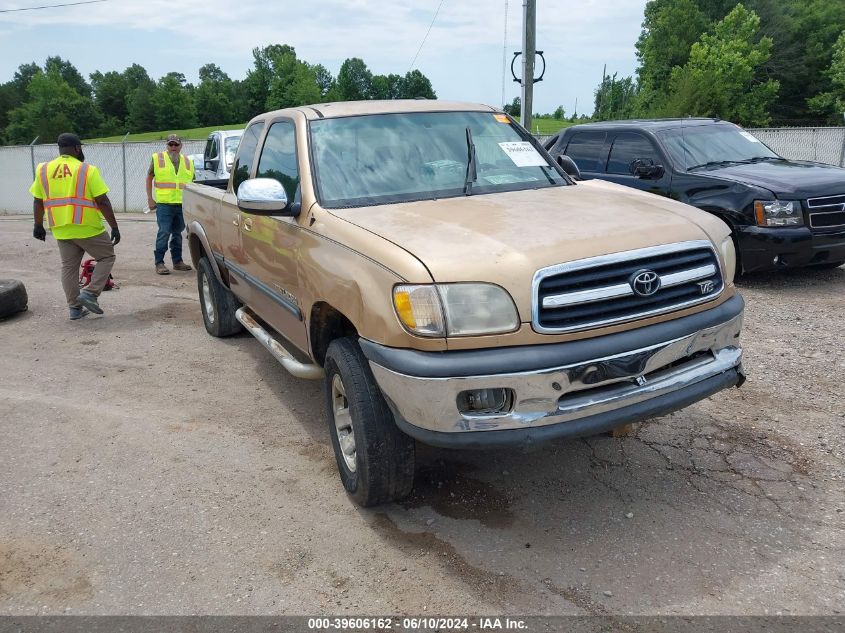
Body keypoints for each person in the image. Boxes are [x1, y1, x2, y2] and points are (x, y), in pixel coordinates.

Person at [30, 133, 120, 320]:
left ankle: (75, 309)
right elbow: (102, 201)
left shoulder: (43, 169)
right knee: (106, 257)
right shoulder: (87, 170)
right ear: (77, 148)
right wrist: (114, 226)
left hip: (60, 228)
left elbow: (38, 201)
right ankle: (90, 293)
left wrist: (38, 225)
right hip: (86, 226)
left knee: (69, 268)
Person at [146, 134, 195, 275]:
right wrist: (150, 198)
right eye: (170, 144)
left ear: (181, 146)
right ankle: (159, 262)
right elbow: (149, 178)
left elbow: (192, 184)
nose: (173, 147)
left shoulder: (188, 162)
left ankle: (177, 261)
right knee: (164, 232)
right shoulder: (158, 158)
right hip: (164, 204)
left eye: (176, 144)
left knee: (177, 233)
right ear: (167, 145)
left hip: (182, 204)